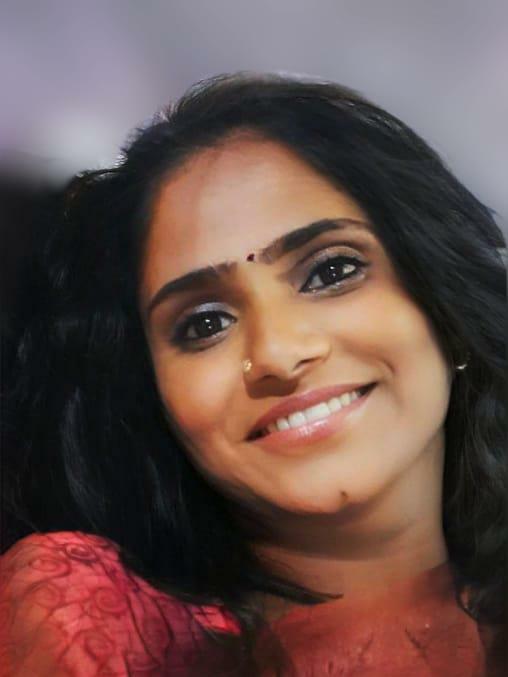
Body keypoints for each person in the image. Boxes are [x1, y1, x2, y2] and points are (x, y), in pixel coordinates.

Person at [1, 71, 506, 676]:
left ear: (444, 306)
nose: (277, 354)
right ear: (153, 398)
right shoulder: (99, 624)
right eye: (204, 324)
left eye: (331, 271)